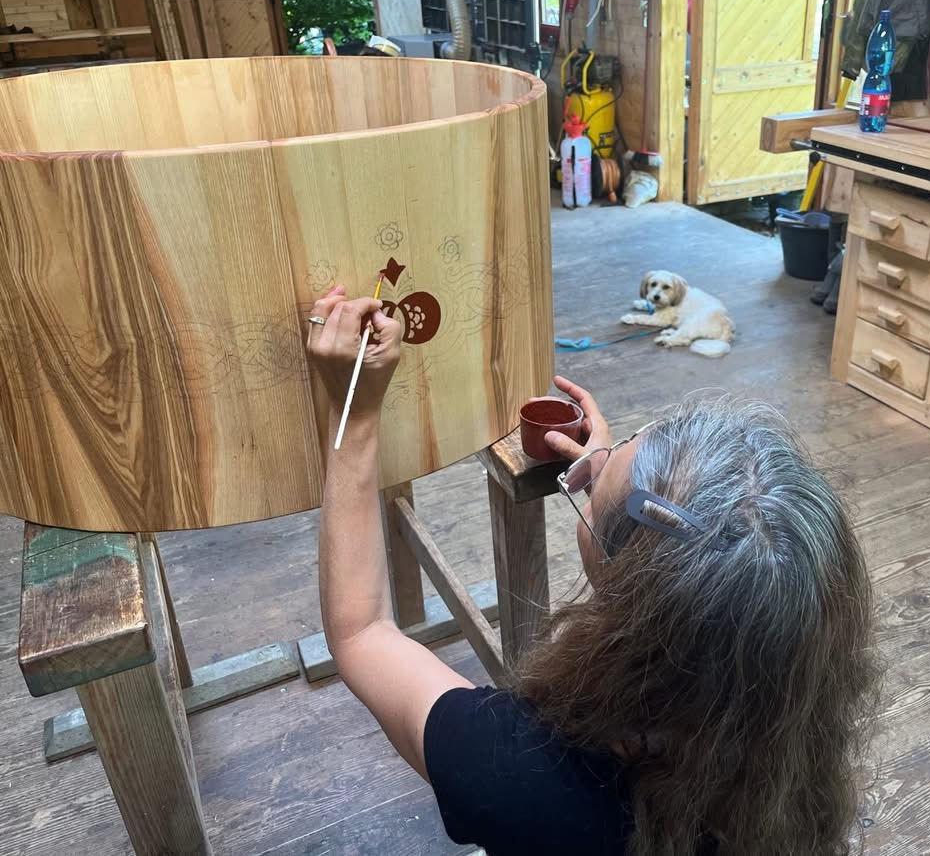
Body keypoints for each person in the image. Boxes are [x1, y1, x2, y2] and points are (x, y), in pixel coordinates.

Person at [306, 288, 882, 856]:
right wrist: (611, 484)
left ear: (628, 586)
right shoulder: (787, 743)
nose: (598, 464)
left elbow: (361, 631)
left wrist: (354, 411)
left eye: (598, 488)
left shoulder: (518, 770)